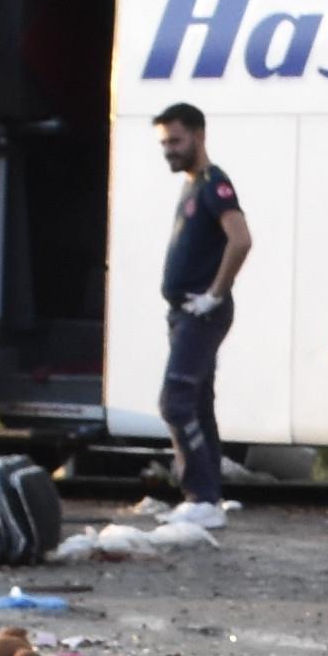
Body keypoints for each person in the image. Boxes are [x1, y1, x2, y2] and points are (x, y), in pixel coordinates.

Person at [148, 100, 248, 515]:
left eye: (175, 140)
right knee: (200, 402)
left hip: (200, 312)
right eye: (164, 143)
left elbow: (240, 239)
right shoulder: (193, 184)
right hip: (184, 311)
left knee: (175, 400)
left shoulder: (214, 184)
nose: (169, 149)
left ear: (199, 136)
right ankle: (211, 496)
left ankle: (201, 495)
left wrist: (214, 294)